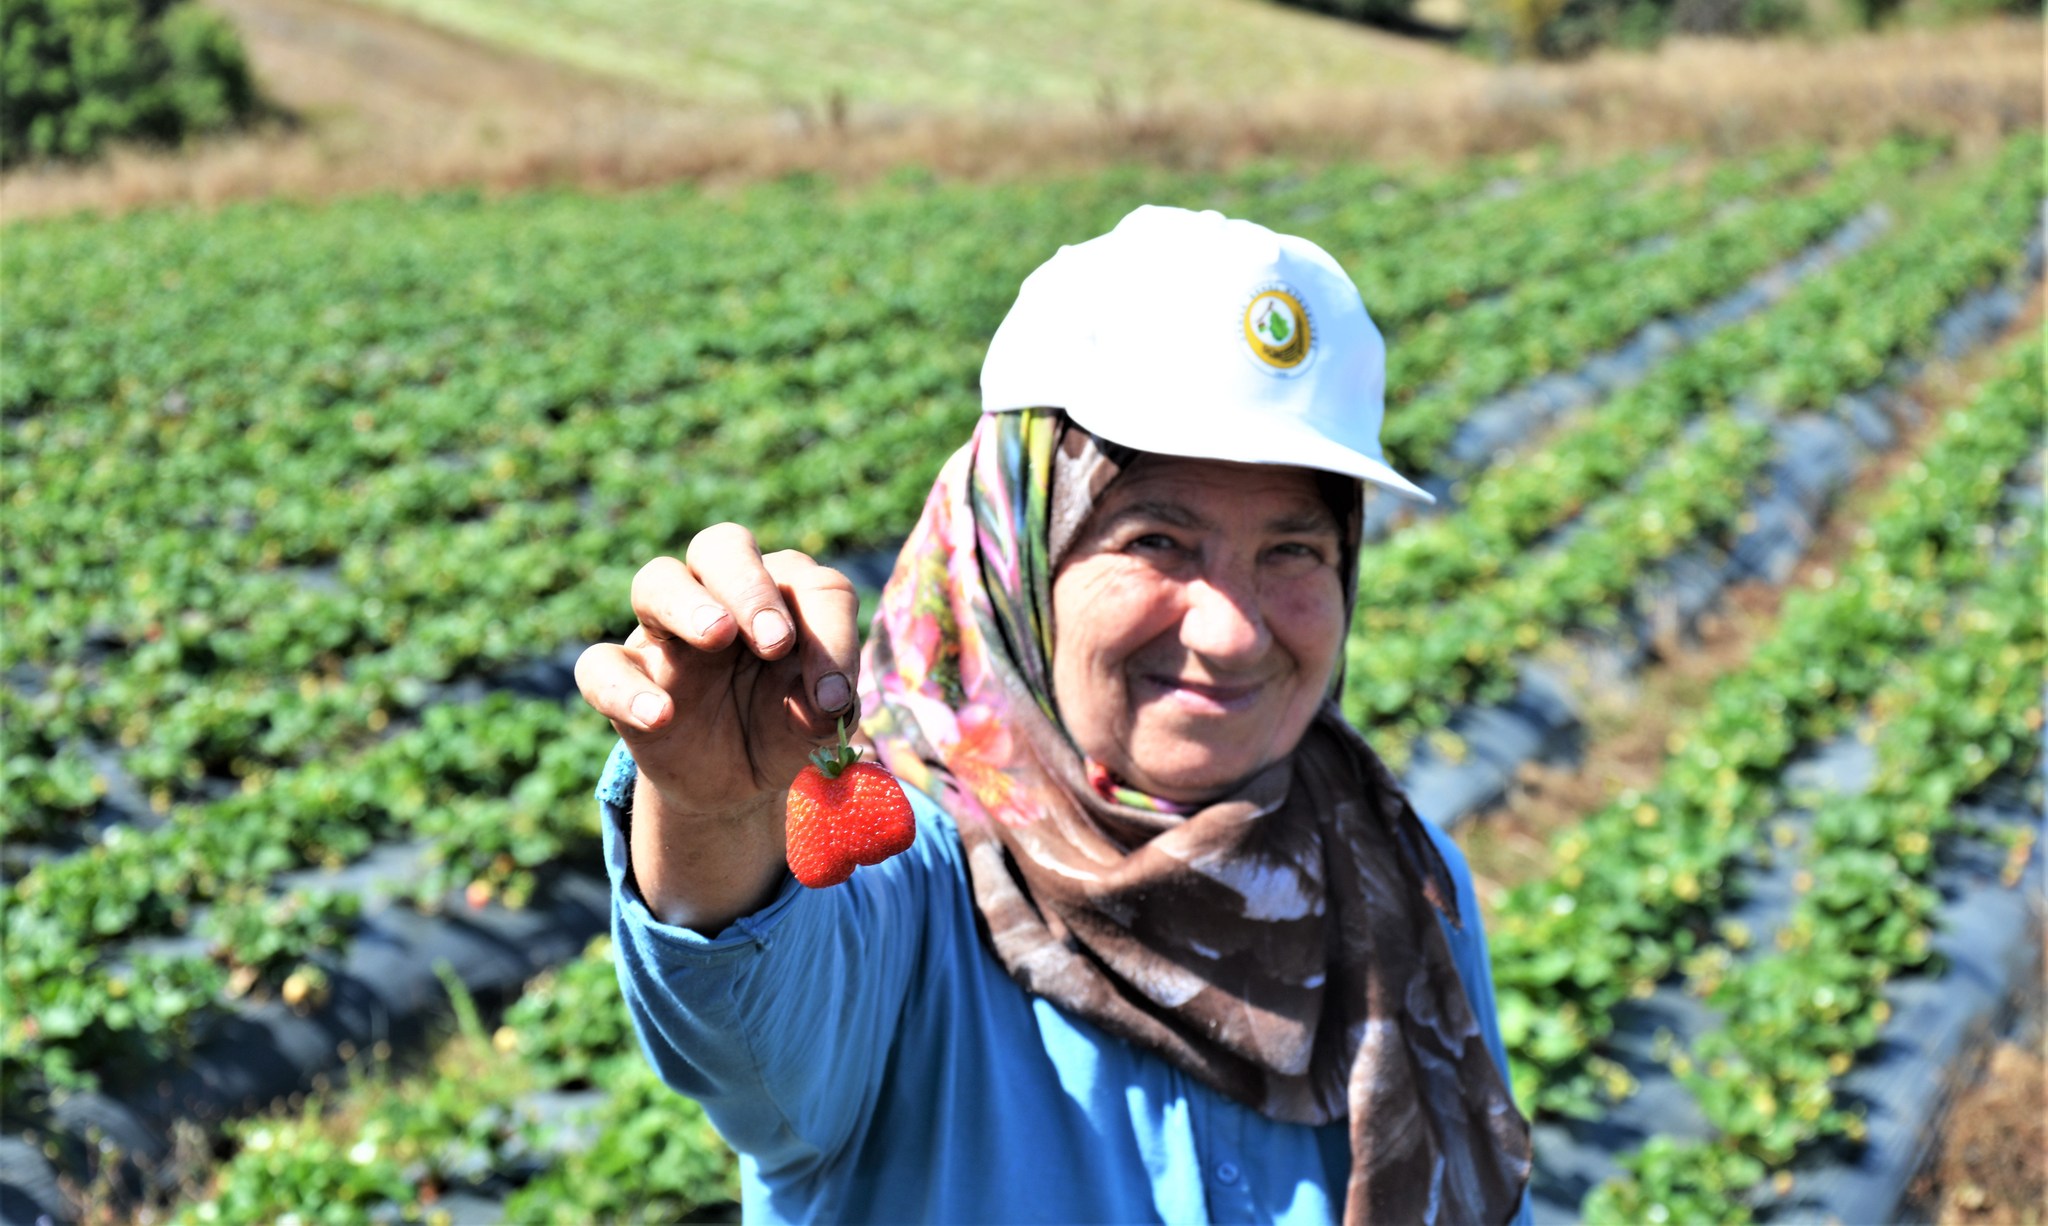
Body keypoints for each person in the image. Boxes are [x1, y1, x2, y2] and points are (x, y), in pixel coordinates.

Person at [574, 205, 1535, 1224]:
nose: (1233, 630)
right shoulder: (908, 877)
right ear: (1009, 553)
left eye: (1292, 549)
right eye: (1156, 540)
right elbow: (744, 1026)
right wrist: (714, 810)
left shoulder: (1395, 873)